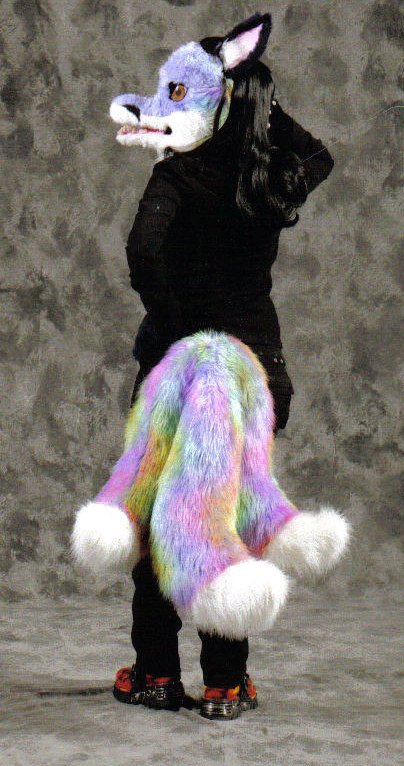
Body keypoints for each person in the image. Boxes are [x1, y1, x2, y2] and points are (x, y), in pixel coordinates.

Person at [111, 15, 335, 719]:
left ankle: (155, 675)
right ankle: (226, 683)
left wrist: (174, 321)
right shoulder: (264, 179)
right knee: (225, 515)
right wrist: (252, 104)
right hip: (252, 369)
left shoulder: (177, 175)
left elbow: (142, 251)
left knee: (158, 516)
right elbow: (318, 155)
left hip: (177, 370)